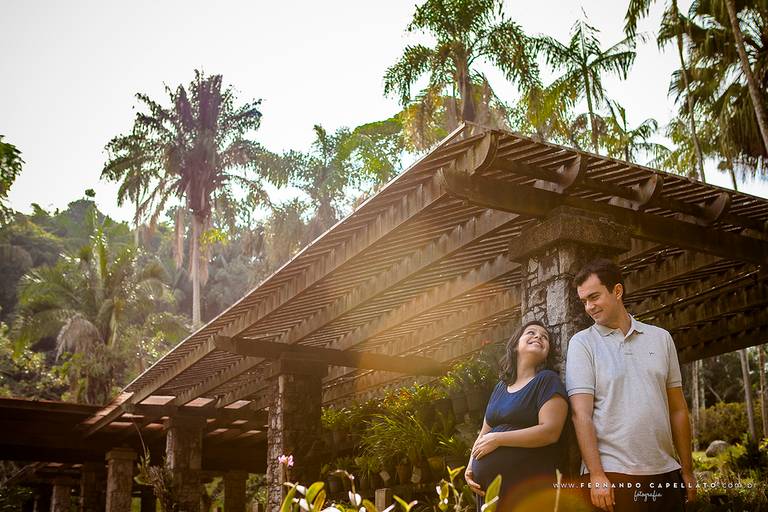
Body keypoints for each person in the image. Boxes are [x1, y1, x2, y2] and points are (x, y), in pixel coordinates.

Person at [566, 259, 696, 512]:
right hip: (614, 477)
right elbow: (581, 414)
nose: (589, 307)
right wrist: (596, 474)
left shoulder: (661, 338)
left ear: (617, 291)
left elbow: (678, 409)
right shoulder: (583, 344)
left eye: (594, 297)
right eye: (584, 301)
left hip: (667, 473)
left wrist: (688, 471)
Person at [464, 320, 569, 511]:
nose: (538, 336)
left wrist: (498, 439)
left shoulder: (546, 381)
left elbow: (550, 431)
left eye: (544, 337)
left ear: (547, 353)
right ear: (515, 345)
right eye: (531, 332)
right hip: (490, 495)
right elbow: (484, 434)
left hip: (525, 489)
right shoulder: (500, 388)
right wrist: (470, 467)